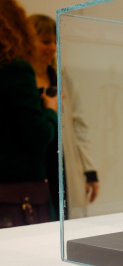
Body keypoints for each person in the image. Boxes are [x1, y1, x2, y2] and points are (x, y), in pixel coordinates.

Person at [28, 14, 100, 219]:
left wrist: (90, 171)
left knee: (65, 221)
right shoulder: (19, 81)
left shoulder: (63, 79)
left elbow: (80, 127)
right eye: (45, 41)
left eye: (54, 42)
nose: (51, 47)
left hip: (62, 166)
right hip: (34, 169)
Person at [0, 0, 57, 226]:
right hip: (19, 193)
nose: (51, 47)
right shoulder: (15, 69)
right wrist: (51, 111)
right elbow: (38, 135)